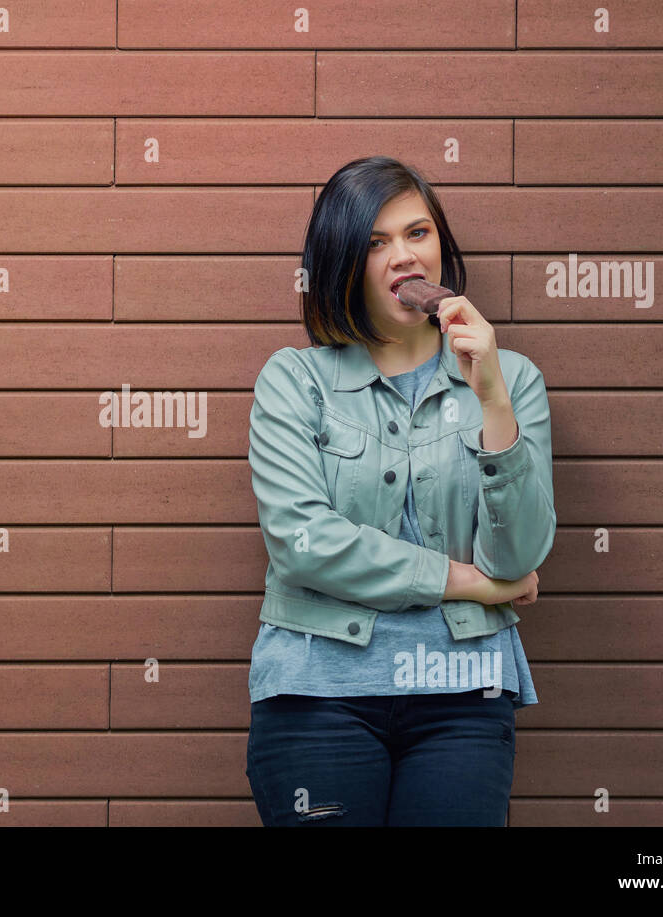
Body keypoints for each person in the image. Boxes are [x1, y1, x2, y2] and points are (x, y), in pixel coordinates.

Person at [245, 156, 557, 826]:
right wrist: (464, 581)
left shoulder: (513, 379)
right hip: (315, 694)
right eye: (375, 242)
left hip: (462, 698)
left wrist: (493, 399)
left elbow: (519, 556)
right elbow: (306, 545)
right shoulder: (294, 382)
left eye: (417, 233)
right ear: (341, 264)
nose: (403, 257)